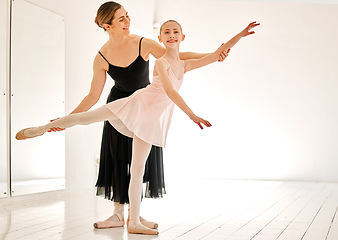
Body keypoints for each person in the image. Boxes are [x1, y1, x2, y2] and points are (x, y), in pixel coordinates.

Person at [16, 19, 260, 235]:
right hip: (136, 104)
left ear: (182, 37)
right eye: (166, 32)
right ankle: (40, 129)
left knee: (138, 170)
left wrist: (240, 34)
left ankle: (133, 220)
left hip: (150, 120)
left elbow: (217, 52)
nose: (171, 35)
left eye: (175, 31)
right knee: (87, 117)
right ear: (160, 38)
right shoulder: (162, 62)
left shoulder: (185, 65)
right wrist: (191, 114)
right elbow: (171, 92)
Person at [48, 1, 229, 230]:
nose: (128, 21)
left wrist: (214, 55)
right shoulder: (101, 56)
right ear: (107, 25)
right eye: (121, 18)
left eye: (127, 16)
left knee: (139, 165)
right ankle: (116, 215)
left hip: (145, 107)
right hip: (117, 107)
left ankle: (136, 215)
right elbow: (92, 96)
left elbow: (177, 57)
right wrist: (66, 121)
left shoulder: (143, 43)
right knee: (117, 158)